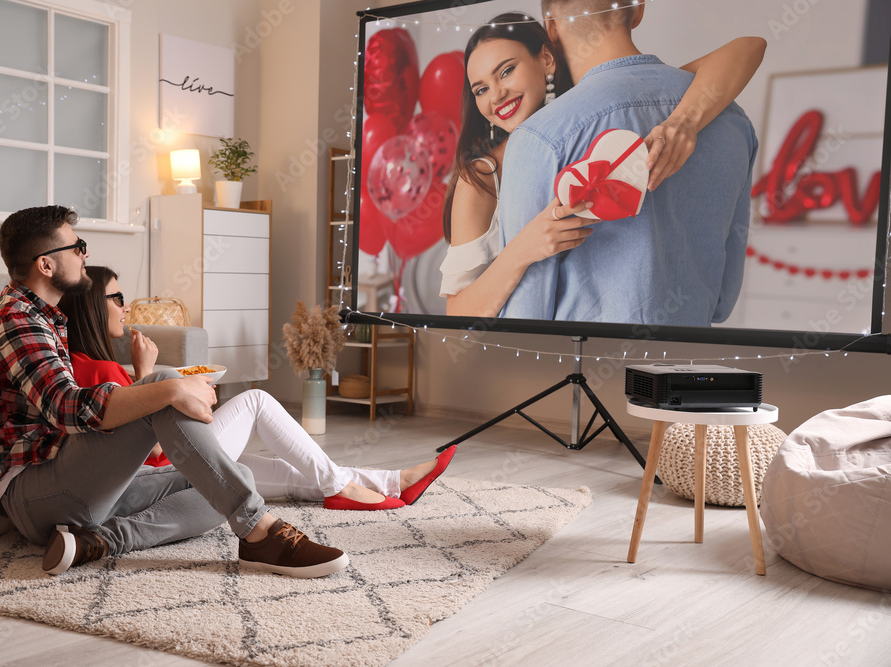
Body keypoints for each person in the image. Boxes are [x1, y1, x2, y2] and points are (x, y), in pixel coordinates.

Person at [0, 206, 346, 578]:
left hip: (70, 482)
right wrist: (173, 387)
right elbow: (67, 408)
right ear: (46, 264)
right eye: (77, 247)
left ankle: (99, 542)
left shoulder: (44, 318)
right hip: (33, 493)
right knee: (163, 387)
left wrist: (169, 389)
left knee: (232, 478)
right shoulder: (15, 319)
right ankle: (261, 532)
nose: (85, 254)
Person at [441, 10, 765, 320]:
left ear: (547, 59)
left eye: (506, 71)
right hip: (515, 356)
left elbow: (744, 48)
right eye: (480, 89)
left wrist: (683, 123)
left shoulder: (590, 122)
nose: (495, 95)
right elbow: (457, 312)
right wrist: (522, 250)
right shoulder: (481, 178)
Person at [57, 265, 456, 510]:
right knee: (257, 401)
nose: (127, 306)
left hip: (175, 463)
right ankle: (343, 488)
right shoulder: (100, 370)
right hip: (169, 473)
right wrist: (147, 375)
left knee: (285, 470)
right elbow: (153, 447)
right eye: (118, 297)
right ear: (93, 306)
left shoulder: (88, 365)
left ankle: (394, 482)